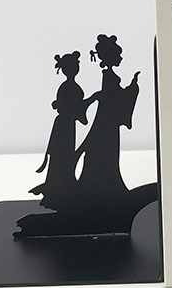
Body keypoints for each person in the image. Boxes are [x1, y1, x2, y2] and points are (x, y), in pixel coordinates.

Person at [76, 34, 140, 199]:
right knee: (105, 153)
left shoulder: (109, 75)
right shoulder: (109, 76)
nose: (121, 58)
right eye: (119, 55)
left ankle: (105, 188)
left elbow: (113, 96)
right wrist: (132, 89)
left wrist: (131, 87)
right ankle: (102, 189)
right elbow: (113, 96)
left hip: (108, 123)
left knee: (107, 154)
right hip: (107, 124)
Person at [31, 51, 88, 207]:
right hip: (65, 125)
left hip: (68, 124)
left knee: (64, 155)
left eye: (76, 66)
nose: (75, 69)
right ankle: (58, 188)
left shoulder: (70, 86)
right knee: (61, 155)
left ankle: (62, 186)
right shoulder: (68, 87)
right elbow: (71, 106)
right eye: (73, 67)